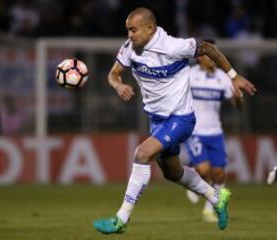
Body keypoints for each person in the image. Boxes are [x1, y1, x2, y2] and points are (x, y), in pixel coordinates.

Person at [92, 7, 256, 234]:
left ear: (150, 29)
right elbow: (113, 74)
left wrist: (233, 76)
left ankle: (121, 220)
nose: (129, 35)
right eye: (128, 30)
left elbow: (208, 48)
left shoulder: (173, 46)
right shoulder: (130, 48)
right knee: (173, 173)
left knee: (142, 154)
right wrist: (118, 85)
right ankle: (216, 198)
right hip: (157, 120)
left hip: (181, 118)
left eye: (133, 30)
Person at [184, 43, 243, 222]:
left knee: (219, 174)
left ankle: (209, 210)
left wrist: (238, 99)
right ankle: (191, 181)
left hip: (215, 132)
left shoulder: (223, 78)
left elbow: (237, 105)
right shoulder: (190, 75)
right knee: (203, 170)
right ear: (200, 57)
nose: (214, 58)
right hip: (194, 130)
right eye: (210, 54)